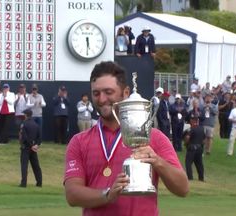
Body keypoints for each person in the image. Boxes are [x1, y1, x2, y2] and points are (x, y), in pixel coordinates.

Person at [64, 61, 188, 216]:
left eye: (108, 92)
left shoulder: (154, 137)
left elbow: (183, 188)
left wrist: (157, 162)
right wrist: (107, 195)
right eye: (96, 93)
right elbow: (72, 194)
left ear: (126, 93)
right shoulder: (79, 142)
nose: (102, 99)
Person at [19, 109, 43, 187]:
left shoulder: (24, 124)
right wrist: (36, 145)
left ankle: (24, 183)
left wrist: (31, 145)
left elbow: (25, 137)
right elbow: (39, 137)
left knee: (24, 165)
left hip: (26, 147)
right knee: (36, 166)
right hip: (34, 149)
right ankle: (39, 182)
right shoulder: (36, 125)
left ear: (26, 115)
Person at [183, 113, 205, 181]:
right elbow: (204, 139)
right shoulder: (201, 128)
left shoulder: (191, 129)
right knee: (199, 163)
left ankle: (190, 177)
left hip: (192, 148)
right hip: (199, 148)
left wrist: (185, 143)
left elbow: (187, 137)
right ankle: (201, 178)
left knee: (188, 163)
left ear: (192, 121)